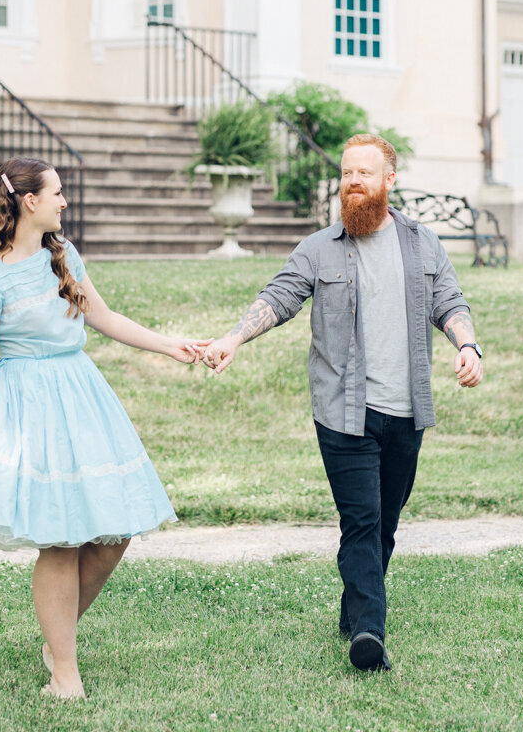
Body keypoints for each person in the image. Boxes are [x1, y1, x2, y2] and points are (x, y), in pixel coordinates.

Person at [202, 133, 483, 672]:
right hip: (343, 410)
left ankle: (354, 605)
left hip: (406, 410)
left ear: (388, 181)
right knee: (360, 520)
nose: (353, 182)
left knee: (385, 524)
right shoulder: (318, 248)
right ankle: (369, 634)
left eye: (365, 174)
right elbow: (278, 297)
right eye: (347, 174)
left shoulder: (424, 244)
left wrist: (465, 344)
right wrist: (232, 339)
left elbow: (449, 299)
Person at [0, 157, 208, 700]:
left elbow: (106, 318)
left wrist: (170, 345)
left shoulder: (64, 256)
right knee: (60, 540)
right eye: (58, 193)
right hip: (31, 408)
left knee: (114, 532)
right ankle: (65, 673)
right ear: (29, 201)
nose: (64, 201)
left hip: (83, 399)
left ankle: (57, 637)